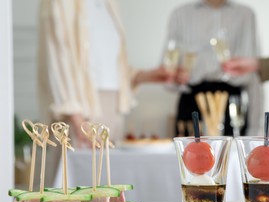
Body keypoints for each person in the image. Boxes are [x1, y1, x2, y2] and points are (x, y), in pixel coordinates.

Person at [37, 0, 181, 147]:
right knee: (78, 168)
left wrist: (145, 76)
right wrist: (76, 118)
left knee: (108, 168)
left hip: (115, 106)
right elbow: (57, 60)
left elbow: (110, 64)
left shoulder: (110, 4)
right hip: (81, 112)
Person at [164, 0, 263, 136]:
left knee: (232, 155)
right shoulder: (180, 14)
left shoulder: (245, 15)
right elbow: (168, 70)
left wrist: (256, 127)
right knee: (189, 154)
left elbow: (254, 74)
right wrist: (175, 78)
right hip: (192, 99)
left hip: (231, 102)